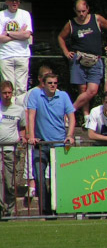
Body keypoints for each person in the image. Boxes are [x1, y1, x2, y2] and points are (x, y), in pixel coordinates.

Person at [57, 0, 107, 124]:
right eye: (79, 12)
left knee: (92, 90)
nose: (81, 14)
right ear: (75, 11)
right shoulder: (71, 24)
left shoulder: (97, 19)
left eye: (83, 11)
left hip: (95, 58)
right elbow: (61, 37)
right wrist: (66, 52)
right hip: (79, 59)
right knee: (82, 89)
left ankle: (70, 111)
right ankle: (86, 116)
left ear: (88, 9)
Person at [27, 72, 75, 216]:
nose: (53, 85)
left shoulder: (64, 96)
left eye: (55, 83)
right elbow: (31, 115)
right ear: (43, 83)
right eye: (50, 83)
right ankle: (45, 211)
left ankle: (58, 209)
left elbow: (72, 118)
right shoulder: (35, 94)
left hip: (58, 144)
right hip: (41, 144)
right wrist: (31, 136)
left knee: (57, 179)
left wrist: (70, 135)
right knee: (40, 178)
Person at [20, 65, 52, 204]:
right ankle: (31, 186)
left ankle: (49, 187)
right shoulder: (32, 93)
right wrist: (28, 132)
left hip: (49, 134)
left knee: (48, 164)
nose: (49, 81)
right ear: (40, 78)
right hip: (34, 132)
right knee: (31, 158)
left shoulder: (56, 92)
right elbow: (27, 113)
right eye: (45, 77)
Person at [0, 81, 26, 216]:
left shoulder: (18, 110)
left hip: (11, 149)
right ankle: (1, 209)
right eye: (4, 93)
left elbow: (22, 128)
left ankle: (9, 209)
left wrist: (22, 138)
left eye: (9, 93)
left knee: (9, 183)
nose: (7, 95)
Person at [0, 0, 33, 97]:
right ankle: (9, 112)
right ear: (7, 2)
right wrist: (19, 33)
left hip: (22, 55)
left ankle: (20, 112)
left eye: (17, 1)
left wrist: (8, 33)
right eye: (12, 1)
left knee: (22, 89)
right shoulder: (1, 15)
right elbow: (0, 38)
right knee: (8, 88)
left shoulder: (25, 14)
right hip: (5, 56)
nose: (15, 3)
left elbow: (27, 35)